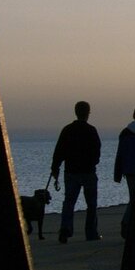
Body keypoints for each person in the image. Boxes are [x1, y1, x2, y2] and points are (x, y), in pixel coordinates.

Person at [50, 100, 102, 243]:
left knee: (69, 201)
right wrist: (93, 162)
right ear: (87, 113)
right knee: (91, 203)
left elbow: (59, 151)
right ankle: (91, 233)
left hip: (71, 171)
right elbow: (97, 151)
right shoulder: (91, 130)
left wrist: (55, 168)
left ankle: (65, 228)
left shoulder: (67, 130)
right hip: (88, 171)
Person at [113, 106, 135, 238]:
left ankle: (129, 223)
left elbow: (120, 154)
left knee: (134, 198)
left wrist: (118, 173)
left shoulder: (125, 132)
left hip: (130, 171)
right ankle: (133, 225)